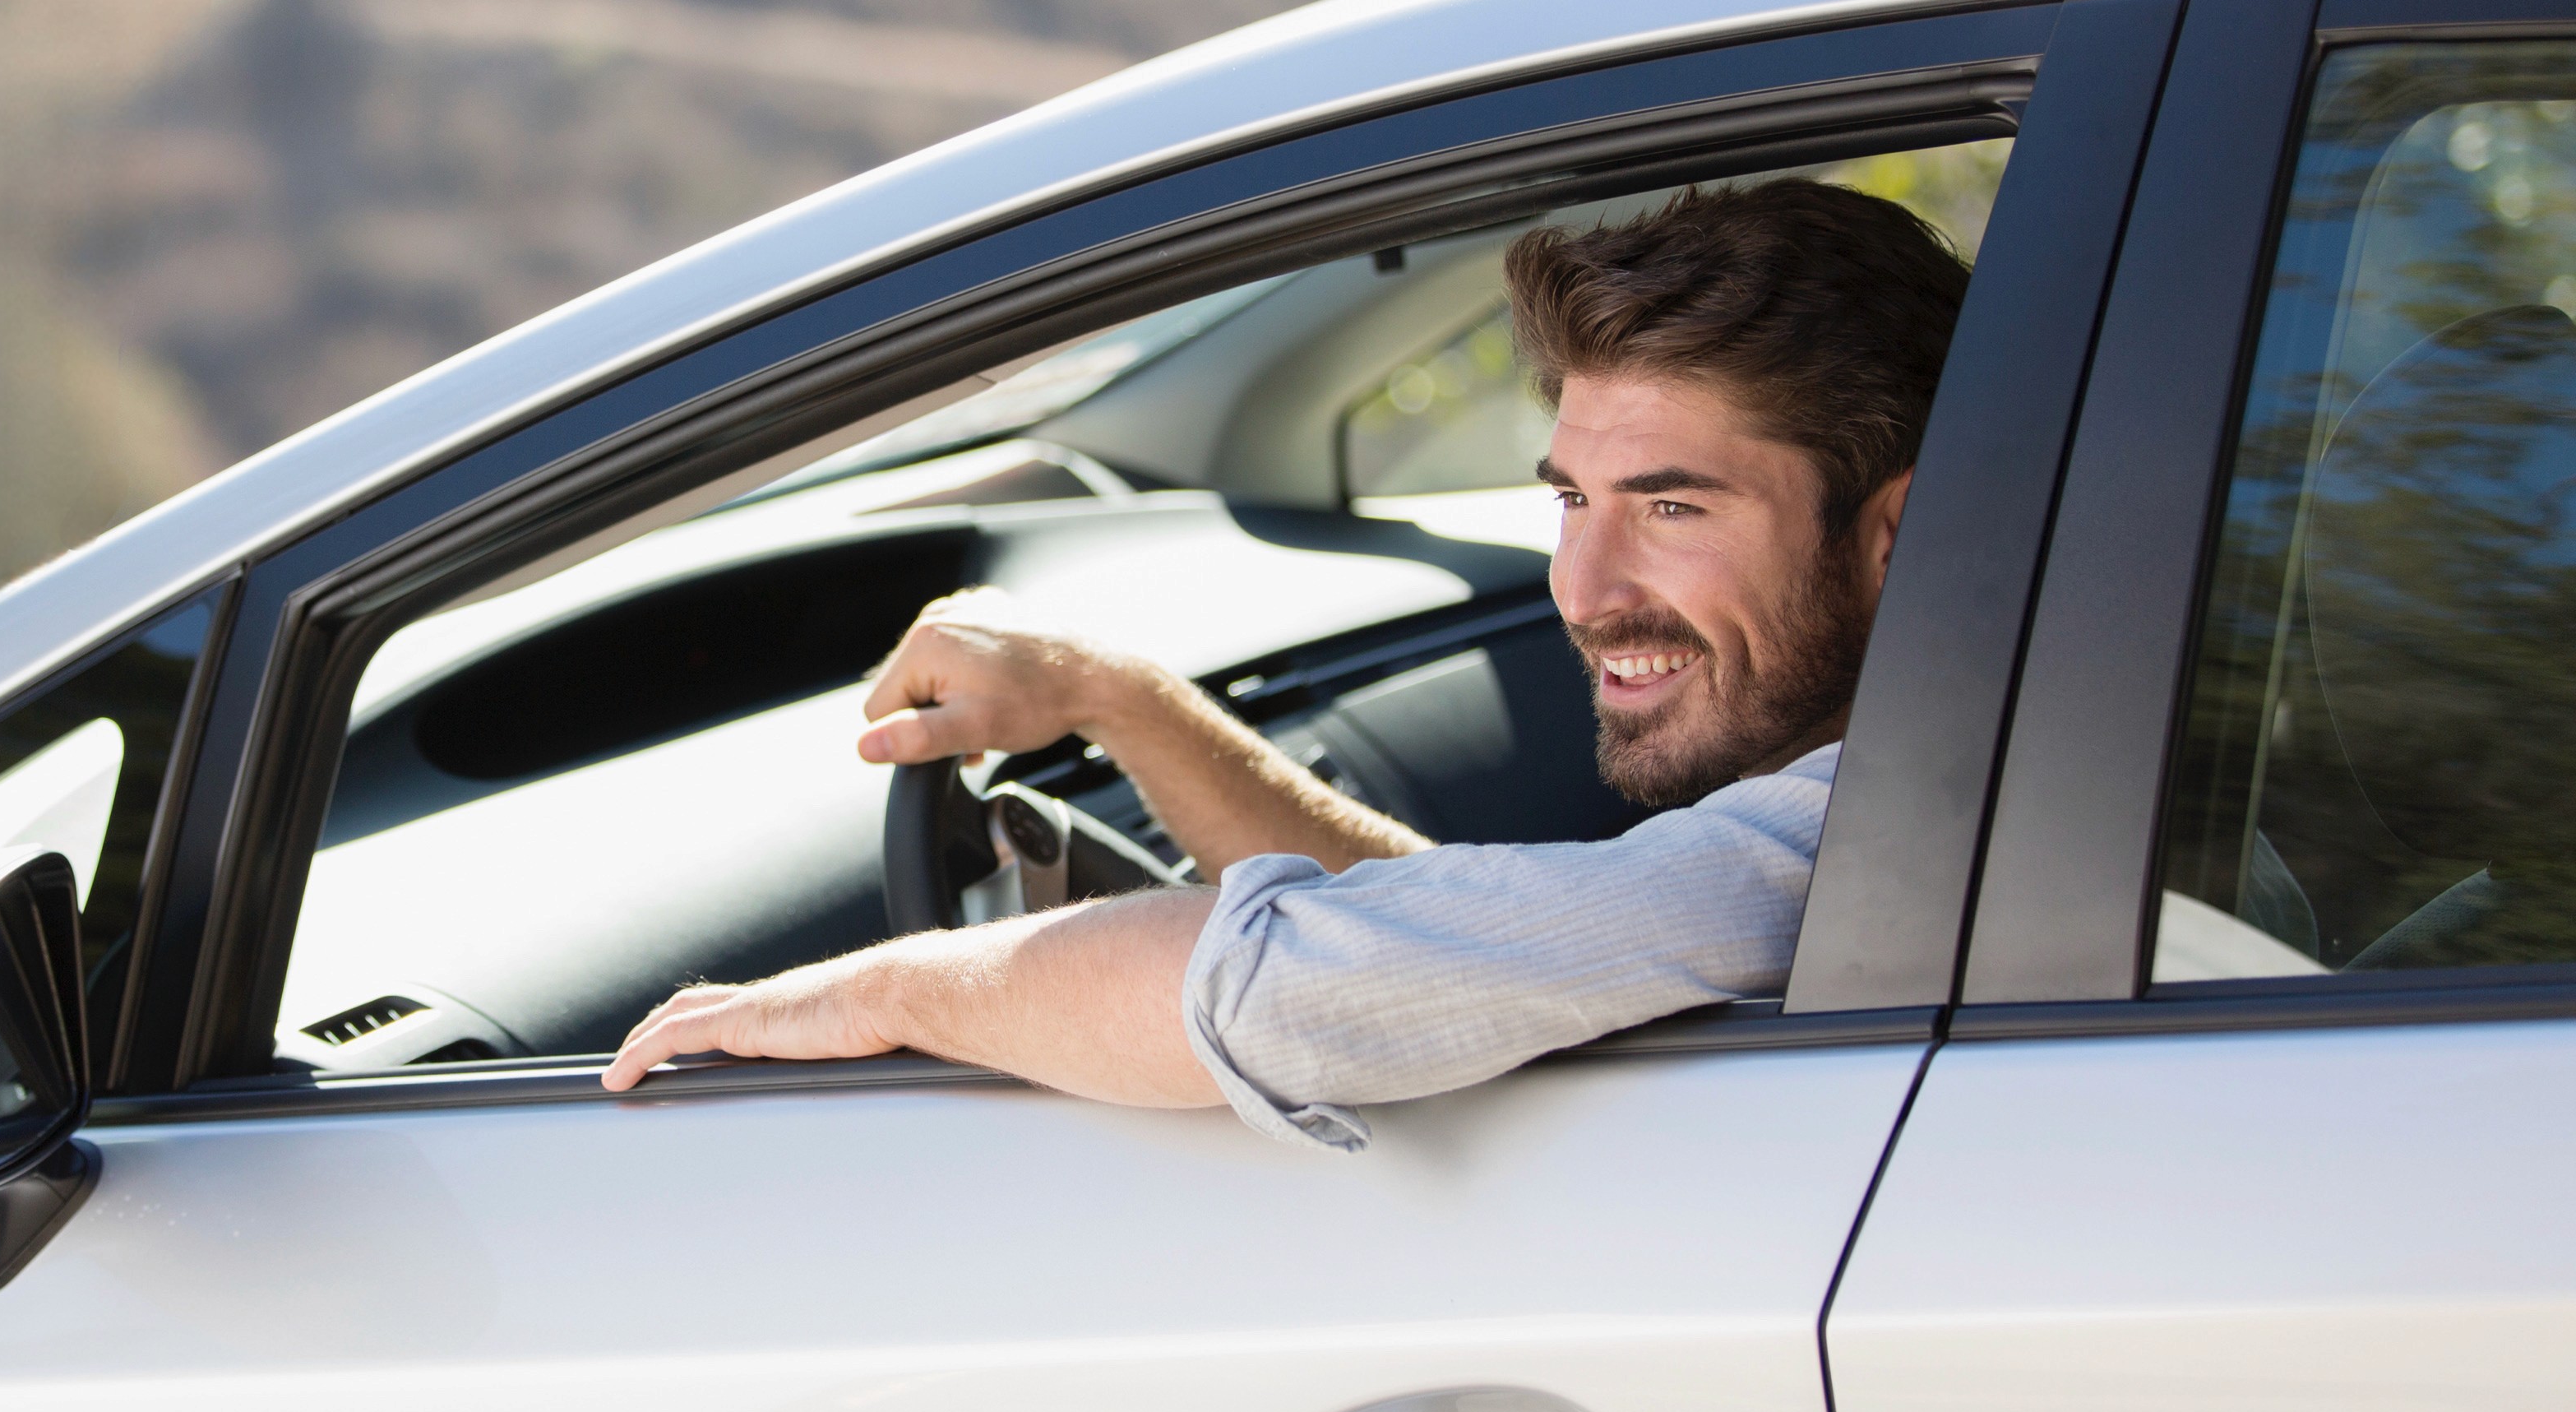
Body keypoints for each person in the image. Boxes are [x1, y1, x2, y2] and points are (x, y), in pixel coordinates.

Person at [601, 178, 1970, 1149]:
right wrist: (1119, 703)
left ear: (1895, 533)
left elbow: (1291, 983)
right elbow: (1461, 931)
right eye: (1570, 501)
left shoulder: (1849, 850)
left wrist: (875, 991)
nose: (1587, 593)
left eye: (1673, 508)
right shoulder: (1968, 764)